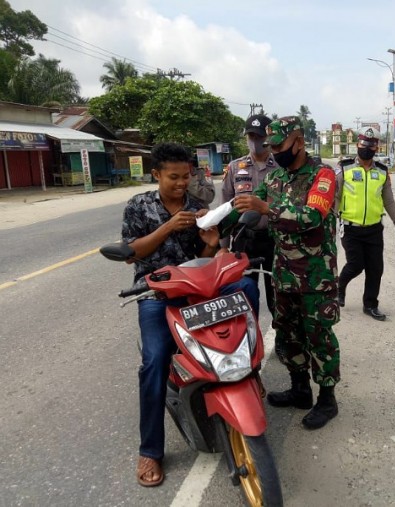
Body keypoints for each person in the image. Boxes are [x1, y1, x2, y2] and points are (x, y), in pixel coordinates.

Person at [121, 142, 259, 487]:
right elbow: (130, 254)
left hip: (199, 286)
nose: (182, 183)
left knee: (248, 289)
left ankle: (246, 368)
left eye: (187, 176)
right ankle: (150, 449)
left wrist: (211, 242)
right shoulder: (137, 206)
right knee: (154, 361)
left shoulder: (198, 207)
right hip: (156, 291)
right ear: (156, 175)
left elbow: (203, 253)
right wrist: (168, 227)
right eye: (174, 177)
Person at [230, 116, 340, 430]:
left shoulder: (322, 175)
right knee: (288, 335)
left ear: (299, 142)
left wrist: (268, 210)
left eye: (279, 146)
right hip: (284, 274)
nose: (274, 152)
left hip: (315, 276)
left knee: (319, 338)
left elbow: (313, 216)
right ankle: (300, 390)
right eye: (270, 146)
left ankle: (327, 399)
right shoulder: (275, 178)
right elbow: (249, 206)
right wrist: (216, 223)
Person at [336, 126, 395, 321]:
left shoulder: (382, 172)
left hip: (375, 229)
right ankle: (339, 288)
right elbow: (335, 196)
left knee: (376, 268)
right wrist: (331, 219)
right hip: (350, 228)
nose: (366, 148)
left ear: (377, 148)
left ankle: (370, 304)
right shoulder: (345, 168)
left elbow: (388, 200)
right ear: (357, 144)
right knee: (356, 264)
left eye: (371, 145)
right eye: (363, 144)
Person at [220, 114, 277, 313]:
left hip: (274, 239)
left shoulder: (281, 167)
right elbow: (226, 207)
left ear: (269, 138)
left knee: (277, 294)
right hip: (243, 239)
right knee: (243, 295)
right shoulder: (235, 167)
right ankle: (249, 340)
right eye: (251, 137)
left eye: (259, 137)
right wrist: (224, 246)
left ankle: (281, 340)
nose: (255, 141)